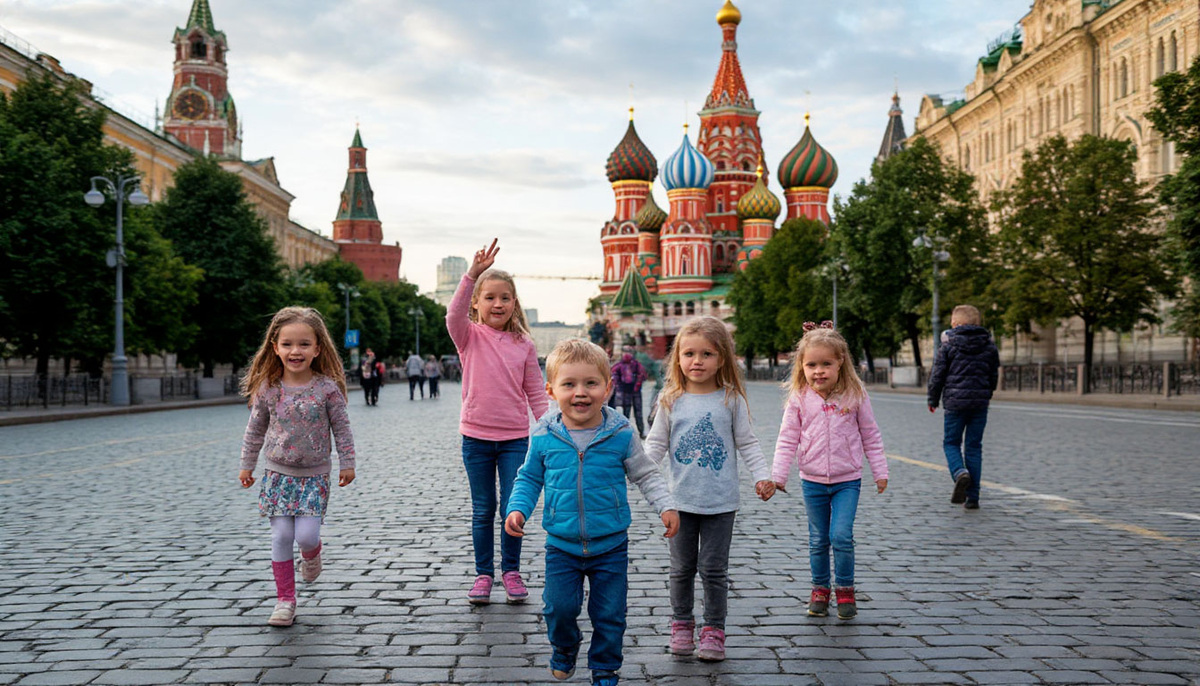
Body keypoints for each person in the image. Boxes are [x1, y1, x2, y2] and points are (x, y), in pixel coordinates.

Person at [505, 338, 678, 686]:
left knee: (610, 613)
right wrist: (517, 509)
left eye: (590, 383)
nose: (580, 393)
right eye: (569, 384)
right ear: (552, 390)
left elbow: (645, 472)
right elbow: (528, 477)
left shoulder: (619, 432)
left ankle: (604, 667)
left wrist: (666, 505)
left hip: (610, 545)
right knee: (558, 608)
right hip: (562, 545)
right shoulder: (544, 434)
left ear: (608, 387)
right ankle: (565, 647)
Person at [643, 317, 774, 662]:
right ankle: (682, 624)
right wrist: (632, 470)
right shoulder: (670, 400)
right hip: (679, 503)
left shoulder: (731, 400)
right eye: (689, 353)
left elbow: (748, 443)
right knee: (681, 569)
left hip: (720, 502)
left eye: (706, 354)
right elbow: (655, 445)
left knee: (714, 569)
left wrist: (763, 475)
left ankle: (714, 629)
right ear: (678, 359)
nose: (697, 361)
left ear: (722, 359)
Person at [238, 307, 357, 627]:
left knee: (305, 536)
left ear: (318, 349)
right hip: (277, 473)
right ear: (275, 347)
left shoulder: (327, 389)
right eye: (288, 344)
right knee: (280, 536)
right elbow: (255, 429)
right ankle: (285, 600)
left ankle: (312, 553)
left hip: (314, 475)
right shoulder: (269, 388)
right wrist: (247, 465)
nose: (296, 351)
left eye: (304, 344)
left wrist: (347, 463)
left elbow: (342, 428)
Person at [446, 238, 549, 605]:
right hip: (475, 438)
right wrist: (472, 275)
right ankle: (484, 575)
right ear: (477, 302)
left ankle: (511, 571)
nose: (497, 304)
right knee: (482, 509)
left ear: (514, 303)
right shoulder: (468, 336)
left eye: (505, 297)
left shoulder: (523, 344)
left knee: (512, 508)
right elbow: (453, 315)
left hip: (515, 440)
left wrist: (555, 430)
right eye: (489, 297)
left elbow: (536, 392)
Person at [768, 321, 888, 621]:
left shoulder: (855, 395)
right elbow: (787, 439)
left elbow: (871, 435)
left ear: (840, 363)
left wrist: (880, 471)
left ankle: (845, 589)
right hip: (812, 481)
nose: (818, 371)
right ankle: (820, 588)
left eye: (826, 364)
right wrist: (778, 476)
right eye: (811, 364)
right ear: (801, 366)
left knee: (841, 536)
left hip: (848, 480)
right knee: (818, 538)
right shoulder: (798, 398)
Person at [927, 304, 1000, 510]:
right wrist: (988, 394)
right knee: (974, 447)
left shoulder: (948, 345)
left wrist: (932, 399)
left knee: (951, 443)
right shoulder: (989, 345)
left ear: (955, 323)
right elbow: (993, 375)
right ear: (978, 323)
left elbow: (937, 375)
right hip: (980, 403)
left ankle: (959, 472)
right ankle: (973, 497)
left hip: (954, 403)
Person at [610, 346, 648, 438]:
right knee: (625, 413)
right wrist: (619, 385)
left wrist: (637, 384)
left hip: (635, 392)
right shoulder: (619, 365)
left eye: (629, 352)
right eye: (625, 351)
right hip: (624, 392)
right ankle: (625, 432)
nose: (627, 354)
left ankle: (641, 431)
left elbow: (642, 375)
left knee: (638, 413)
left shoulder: (636, 365)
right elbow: (614, 376)